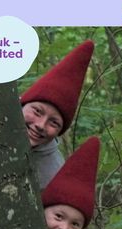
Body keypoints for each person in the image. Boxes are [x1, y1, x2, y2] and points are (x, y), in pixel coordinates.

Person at [20, 40, 94, 189]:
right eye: (37, 111)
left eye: (54, 123)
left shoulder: (55, 174)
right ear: (21, 104)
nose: (41, 125)